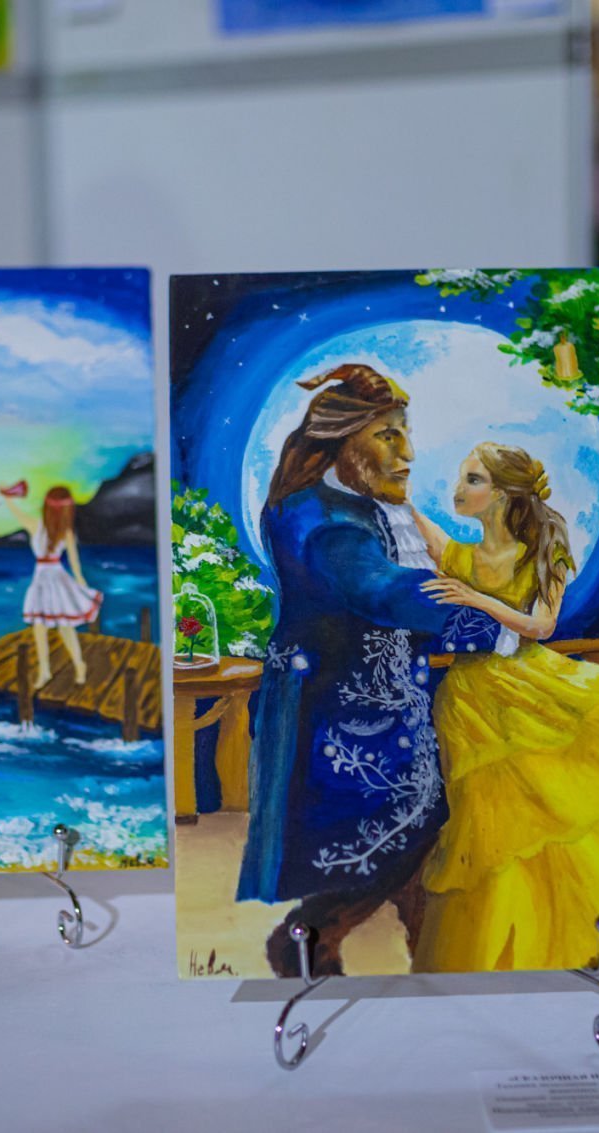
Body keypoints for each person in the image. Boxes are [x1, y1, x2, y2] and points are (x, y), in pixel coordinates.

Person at [406, 443, 599, 971]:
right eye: (462, 478)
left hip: (528, 685)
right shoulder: (463, 555)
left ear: (503, 494)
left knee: (558, 802)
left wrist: (478, 600)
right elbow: (432, 541)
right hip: (468, 703)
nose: (459, 489)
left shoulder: (543, 549)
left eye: (473, 479)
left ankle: (572, 929)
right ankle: (507, 944)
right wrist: (399, 499)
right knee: (494, 827)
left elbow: (543, 625)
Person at [239, 363, 501, 977]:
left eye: (405, 433)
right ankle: (312, 939)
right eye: (388, 435)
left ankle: (421, 962)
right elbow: (379, 589)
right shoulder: (323, 521)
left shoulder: (352, 506)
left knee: (422, 840)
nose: (407, 454)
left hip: (380, 713)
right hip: (337, 720)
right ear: (340, 439)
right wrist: (490, 621)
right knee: (391, 839)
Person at [1, 484, 100, 690]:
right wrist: (80, 581)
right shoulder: (42, 527)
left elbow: (74, 562)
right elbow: (74, 563)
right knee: (42, 626)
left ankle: (79, 664)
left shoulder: (55, 530)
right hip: (43, 579)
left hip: (54, 579)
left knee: (63, 625)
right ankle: (45, 671)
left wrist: (7, 497)